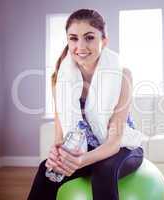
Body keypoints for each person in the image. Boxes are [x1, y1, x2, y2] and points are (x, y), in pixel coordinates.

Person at [28, 9, 143, 200]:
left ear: (104, 41)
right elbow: (60, 135)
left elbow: (114, 142)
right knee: (46, 170)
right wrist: (57, 153)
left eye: (89, 38)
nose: (80, 46)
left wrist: (80, 161)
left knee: (103, 170)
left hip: (123, 147)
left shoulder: (123, 76)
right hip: (84, 149)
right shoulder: (60, 78)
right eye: (73, 38)